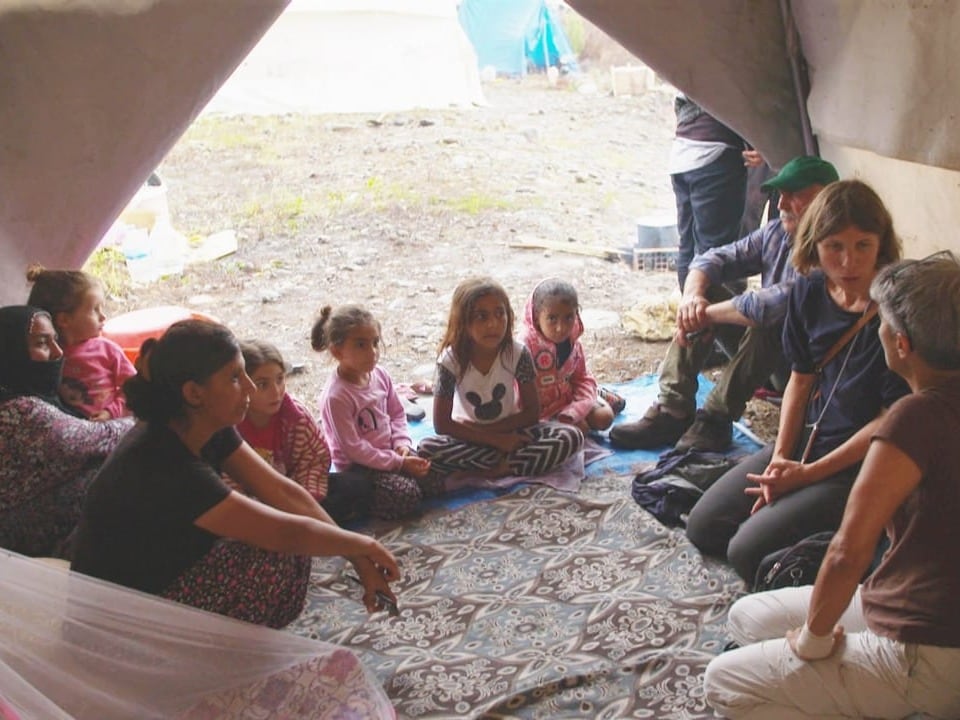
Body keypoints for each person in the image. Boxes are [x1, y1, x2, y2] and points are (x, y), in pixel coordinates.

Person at [703, 251, 960, 720]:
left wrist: (814, 640)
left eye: (880, 320)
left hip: (931, 652)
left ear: (901, 344)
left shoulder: (917, 415)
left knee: (723, 682)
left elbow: (848, 551)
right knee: (747, 618)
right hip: (908, 603)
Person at [70, 320, 399, 628]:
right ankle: (204, 656)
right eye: (235, 378)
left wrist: (359, 557)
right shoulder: (164, 462)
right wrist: (362, 545)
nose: (250, 387)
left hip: (162, 574)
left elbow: (282, 492)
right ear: (194, 393)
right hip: (121, 619)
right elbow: (281, 532)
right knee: (277, 554)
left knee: (301, 531)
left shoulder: (202, 423)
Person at [685, 179, 908, 584]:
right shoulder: (808, 289)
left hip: (859, 462)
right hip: (811, 437)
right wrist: (781, 461)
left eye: (863, 246)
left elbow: (890, 419)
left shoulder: (894, 311)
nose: (848, 262)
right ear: (815, 247)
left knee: (746, 551)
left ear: (882, 245)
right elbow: (800, 382)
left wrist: (808, 475)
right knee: (704, 526)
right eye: (835, 246)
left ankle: (856, 539)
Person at [610, 155, 840, 453]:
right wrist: (693, 299)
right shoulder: (777, 234)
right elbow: (712, 258)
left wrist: (701, 316)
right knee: (707, 293)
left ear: (825, 200)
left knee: (767, 322)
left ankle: (716, 420)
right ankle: (673, 410)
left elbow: (773, 305)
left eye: (795, 196)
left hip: (803, 373)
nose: (781, 204)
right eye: (781, 194)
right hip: (766, 360)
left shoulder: (835, 251)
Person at [417, 277, 584, 480]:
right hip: (468, 437)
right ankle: (512, 463)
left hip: (512, 429)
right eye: (481, 316)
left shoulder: (517, 353)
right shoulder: (451, 361)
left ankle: (497, 468)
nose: (493, 324)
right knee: (427, 448)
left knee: (570, 437)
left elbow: (532, 413)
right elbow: (442, 424)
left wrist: (498, 435)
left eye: (499, 314)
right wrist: (493, 440)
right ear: (464, 321)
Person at [0, 306, 133, 557]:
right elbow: (103, 439)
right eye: (42, 343)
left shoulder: (28, 397)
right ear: (8, 351)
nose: (58, 353)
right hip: (12, 542)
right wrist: (153, 415)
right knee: (121, 469)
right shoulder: (20, 412)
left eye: (56, 340)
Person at [313, 305, 435, 520]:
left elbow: (397, 413)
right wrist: (399, 463)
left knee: (434, 473)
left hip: (391, 453)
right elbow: (354, 449)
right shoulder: (337, 396)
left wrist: (402, 445)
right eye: (361, 345)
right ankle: (360, 504)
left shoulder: (380, 375)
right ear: (337, 351)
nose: (373, 352)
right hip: (360, 467)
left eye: (375, 342)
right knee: (406, 495)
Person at [237, 339, 372, 525]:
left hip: (295, 490)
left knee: (356, 485)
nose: (276, 391)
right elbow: (228, 480)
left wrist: (304, 500)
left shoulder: (295, 416)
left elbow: (315, 459)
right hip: (254, 501)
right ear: (243, 386)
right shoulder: (232, 426)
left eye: (279, 379)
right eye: (262, 385)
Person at [26, 265, 135, 420]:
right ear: (64, 319)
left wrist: (111, 412)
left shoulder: (108, 350)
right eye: (94, 309)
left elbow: (134, 388)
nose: (103, 316)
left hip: (115, 425)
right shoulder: (48, 357)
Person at [520, 278, 623, 433]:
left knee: (605, 417)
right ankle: (600, 395)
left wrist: (577, 408)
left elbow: (581, 378)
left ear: (577, 314)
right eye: (552, 318)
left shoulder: (573, 343)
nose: (561, 328)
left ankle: (598, 393)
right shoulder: (525, 347)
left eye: (568, 317)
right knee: (579, 430)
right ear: (536, 316)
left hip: (570, 398)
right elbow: (519, 396)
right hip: (541, 410)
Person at [669, 94, 748, 290]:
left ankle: (691, 313)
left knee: (688, 246)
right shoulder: (724, 67)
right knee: (715, 253)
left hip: (683, 153)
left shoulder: (692, 67)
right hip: (715, 154)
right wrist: (757, 143)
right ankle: (710, 317)